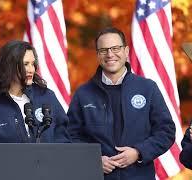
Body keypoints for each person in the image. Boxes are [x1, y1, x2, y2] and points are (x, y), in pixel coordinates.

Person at [67, 27, 175, 179]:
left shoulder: (147, 88)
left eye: (115, 48)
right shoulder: (83, 94)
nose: (110, 54)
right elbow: (70, 136)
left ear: (126, 51)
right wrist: (92, 159)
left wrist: (138, 152)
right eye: (103, 50)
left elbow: (166, 131)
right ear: (98, 55)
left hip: (139, 176)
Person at [0, 40, 71, 163]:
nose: (31, 69)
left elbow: (64, 139)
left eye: (33, 64)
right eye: (25, 64)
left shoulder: (47, 97)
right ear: (9, 66)